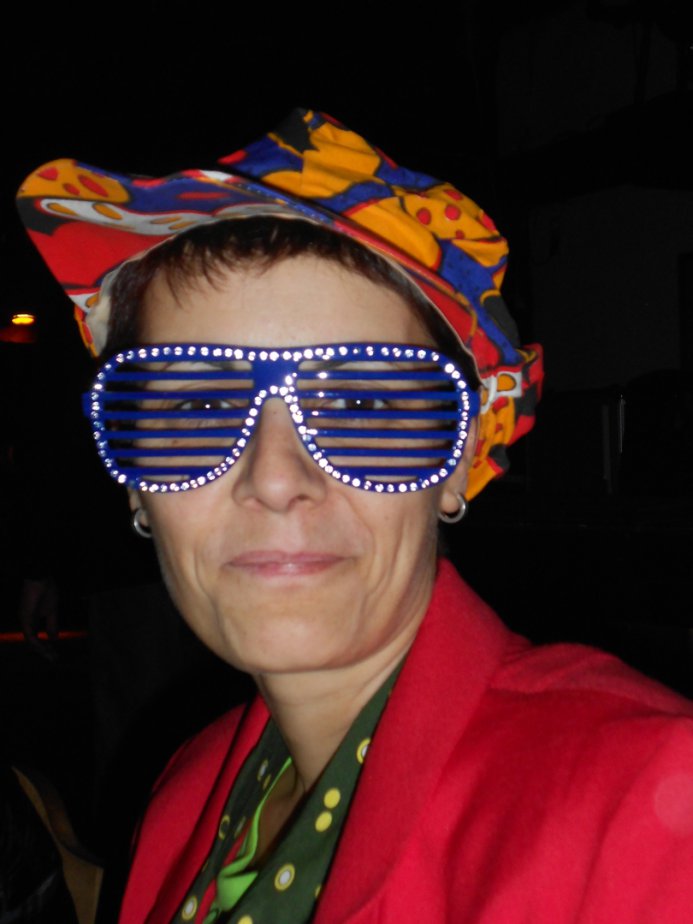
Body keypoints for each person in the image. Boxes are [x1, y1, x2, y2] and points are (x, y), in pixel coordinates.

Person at [17, 109, 693, 923]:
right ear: (135, 483)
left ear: (462, 458)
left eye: (363, 406)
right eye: (198, 407)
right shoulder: (184, 797)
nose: (274, 479)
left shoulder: (639, 805)